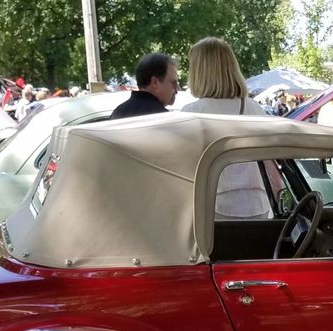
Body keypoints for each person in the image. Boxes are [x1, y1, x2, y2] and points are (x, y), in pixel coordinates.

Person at [181, 37, 271, 219]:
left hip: (214, 205)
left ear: (199, 71)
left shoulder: (192, 114)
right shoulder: (254, 108)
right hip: (257, 203)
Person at [110, 52, 178, 120]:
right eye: (173, 83)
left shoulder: (117, 113)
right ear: (155, 82)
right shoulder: (165, 119)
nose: (177, 88)